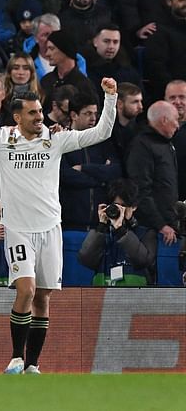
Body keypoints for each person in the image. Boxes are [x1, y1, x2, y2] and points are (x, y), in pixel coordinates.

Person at [0, 78, 117, 375]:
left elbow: (102, 131)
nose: (39, 117)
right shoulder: (1, 138)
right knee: (26, 290)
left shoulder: (55, 139)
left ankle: (32, 364)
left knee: (42, 297)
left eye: (40, 111)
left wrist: (111, 97)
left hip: (50, 228)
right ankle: (16, 358)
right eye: (32, 113)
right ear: (17, 117)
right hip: (17, 229)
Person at [78, 179, 157, 286]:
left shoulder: (146, 233)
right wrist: (101, 227)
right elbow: (86, 260)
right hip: (102, 294)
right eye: (116, 205)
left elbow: (143, 261)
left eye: (123, 206)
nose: (120, 210)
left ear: (134, 207)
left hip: (136, 296)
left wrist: (121, 230)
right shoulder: (103, 234)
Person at [60, 93, 122, 230]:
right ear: (73, 115)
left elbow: (115, 171)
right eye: (88, 113)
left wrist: (84, 168)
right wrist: (101, 179)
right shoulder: (61, 141)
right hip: (70, 225)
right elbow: (64, 176)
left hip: (100, 225)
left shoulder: (104, 142)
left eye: (95, 113)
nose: (94, 118)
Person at [126, 101, 180, 247]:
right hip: (150, 230)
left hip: (167, 227)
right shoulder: (142, 146)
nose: (178, 125)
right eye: (176, 119)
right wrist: (161, 225)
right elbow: (141, 190)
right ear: (164, 120)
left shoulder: (166, 144)